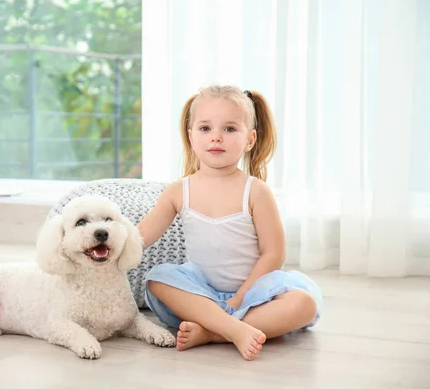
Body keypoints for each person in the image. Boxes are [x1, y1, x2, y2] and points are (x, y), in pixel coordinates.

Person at [137, 85, 323, 361]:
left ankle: (215, 333)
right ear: (190, 137)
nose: (216, 137)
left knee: (304, 303)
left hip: (254, 293)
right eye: (205, 128)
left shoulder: (255, 191)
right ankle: (230, 327)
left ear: (250, 140)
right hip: (202, 294)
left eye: (229, 129)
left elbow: (274, 254)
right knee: (157, 280)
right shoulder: (179, 190)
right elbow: (140, 237)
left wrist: (241, 296)